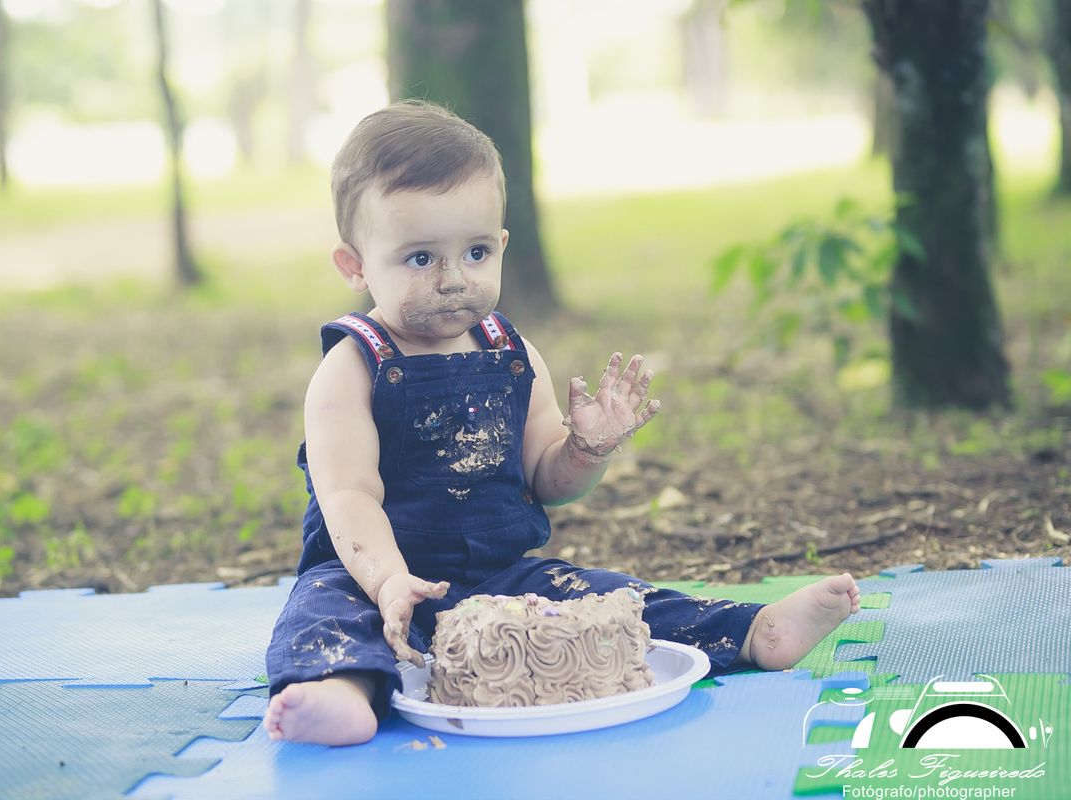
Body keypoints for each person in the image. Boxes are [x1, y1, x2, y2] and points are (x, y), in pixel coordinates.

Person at [263, 100, 861, 746]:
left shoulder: (510, 354)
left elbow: (548, 480)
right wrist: (387, 581)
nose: (454, 279)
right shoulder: (352, 368)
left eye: (474, 252)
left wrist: (584, 450)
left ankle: (752, 631)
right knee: (323, 618)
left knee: (611, 603)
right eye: (420, 259)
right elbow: (350, 495)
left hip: (499, 578)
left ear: (502, 246)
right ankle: (341, 691)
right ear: (354, 265)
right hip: (368, 576)